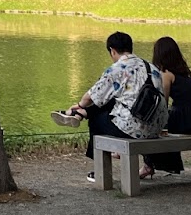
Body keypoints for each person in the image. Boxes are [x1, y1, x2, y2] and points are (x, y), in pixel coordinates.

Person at [49, 31, 168, 181]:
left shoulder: (118, 69)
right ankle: (81, 114)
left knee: (97, 120)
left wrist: (79, 105)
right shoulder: (151, 68)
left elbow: (91, 96)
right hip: (156, 128)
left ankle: (99, 171)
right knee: (112, 101)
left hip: (135, 129)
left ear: (112, 50)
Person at [146, 36, 191, 175]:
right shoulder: (186, 72)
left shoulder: (166, 74)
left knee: (151, 128)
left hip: (182, 120)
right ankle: (171, 165)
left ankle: (149, 165)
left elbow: (163, 103)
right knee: (164, 125)